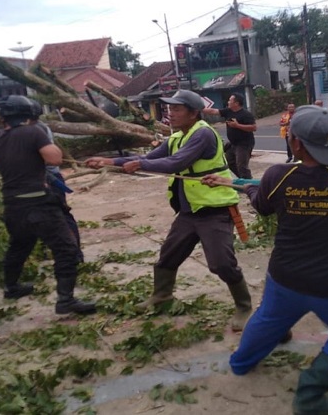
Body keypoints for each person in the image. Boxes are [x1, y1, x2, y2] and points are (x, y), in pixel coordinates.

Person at [203, 105, 328, 414]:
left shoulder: (277, 175)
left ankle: (241, 363)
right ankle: (310, 395)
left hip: (284, 275)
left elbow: (262, 204)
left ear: (296, 143)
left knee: (268, 318)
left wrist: (247, 189)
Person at [85, 89, 253, 331]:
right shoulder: (176, 137)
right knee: (168, 256)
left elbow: (176, 163)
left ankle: (244, 306)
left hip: (214, 208)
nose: (169, 113)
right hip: (189, 210)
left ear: (194, 113)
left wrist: (141, 164)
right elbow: (152, 156)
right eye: (168, 108)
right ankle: (162, 296)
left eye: (176, 109)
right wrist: (109, 162)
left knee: (221, 264)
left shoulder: (203, 134)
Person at [0, 95, 95, 315]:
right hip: (39, 203)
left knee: (19, 246)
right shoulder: (33, 132)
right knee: (66, 249)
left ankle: (11, 287)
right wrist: (45, 142)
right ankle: (65, 300)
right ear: (29, 115)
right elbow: (55, 159)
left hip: (12, 205)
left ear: (3, 117)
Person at [36, 122, 83, 264]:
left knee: (60, 216)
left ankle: (74, 254)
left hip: (47, 178)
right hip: (36, 179)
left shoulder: (37, 129)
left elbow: (53, 159)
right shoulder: (26, 129)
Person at [203, 93, 256, 179]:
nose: (228, 102)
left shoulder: (246, 114)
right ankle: (243, 180)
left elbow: (253, 127)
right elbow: (213, 111)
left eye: (230, 100)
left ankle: (250, 185)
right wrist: (198, 109)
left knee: (242, 166)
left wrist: (237, 125)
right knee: (229, 162)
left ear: (236, 103)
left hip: (244, 144)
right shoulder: (228, 111)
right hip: (233, 144)